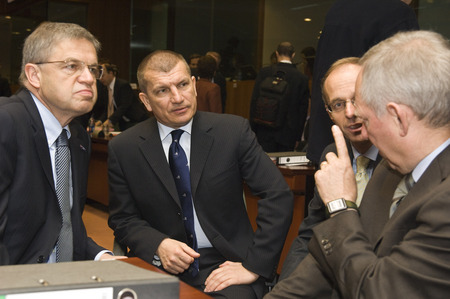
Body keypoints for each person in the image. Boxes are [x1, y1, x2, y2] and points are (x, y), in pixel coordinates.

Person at [268, 30, 450, 298]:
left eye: (365, 115)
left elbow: (379, 291)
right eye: (339, 105)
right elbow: (323, 265)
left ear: (398, 117)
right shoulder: (390, 172)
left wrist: (341, 207)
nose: (357, 123)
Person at [108, 50, 294, 298]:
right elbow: (123, 219)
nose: (177, 98)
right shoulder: (125, 148)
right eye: (162, 91)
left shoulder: (232, 132)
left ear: (194, 85)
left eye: (183, 85)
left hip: (225, 262)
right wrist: (157, 244)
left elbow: (277, 195)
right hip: (159, 265)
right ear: (145, 100)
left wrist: (254, 264)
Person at [0, 22, 124, 265]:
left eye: (93, 68)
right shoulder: (6, 122)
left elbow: (64, 225)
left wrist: (101, 257)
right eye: (71, 66)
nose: (89, 78)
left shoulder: (76, 138)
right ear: (34, 75)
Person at [279, 57, 382, 280]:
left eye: (358, 99)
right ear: (329, 113)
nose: (350, 112)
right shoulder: (331, 154)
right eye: (338, 104)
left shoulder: (399, 157)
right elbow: (310, 235)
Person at [307, 0, 419, 166]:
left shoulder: (338, 8)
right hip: (379, 149)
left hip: (330, 139)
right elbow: (409, 87)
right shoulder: (397, 12)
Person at [249, 42, 309, 152]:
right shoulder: (301, 79)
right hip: (288, 133)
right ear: (293, 55)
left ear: (277, 54)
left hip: (264, 130)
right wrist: (297, 137)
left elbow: (254, 101)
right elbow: (302, 111)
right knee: (283, 168)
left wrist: (253, 129)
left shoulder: (264, 73)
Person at [96, 61, 148, 131]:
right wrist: (100, 121)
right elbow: (108, 109)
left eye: (103, 76)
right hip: (123, 122)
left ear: (111, 73)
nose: (100, 79)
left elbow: (124, 106)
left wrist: (110, 120)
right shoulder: (105, 89)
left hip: (136, 120)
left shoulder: (122, 85)